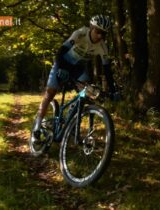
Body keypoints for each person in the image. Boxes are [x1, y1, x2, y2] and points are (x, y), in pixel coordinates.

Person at [32, 15, 118, 143]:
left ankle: (70, 122)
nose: (100, 36)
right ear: (91, 27)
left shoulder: (103, 47)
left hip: (78, 68)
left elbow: (107, 70)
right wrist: (61, 68)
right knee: (50, 94)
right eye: (98, 31)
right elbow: (61, 51)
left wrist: (113, 90)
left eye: (104, 34)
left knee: (85, 92)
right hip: (63, 63)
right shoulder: (80, 34)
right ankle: (37, 128)